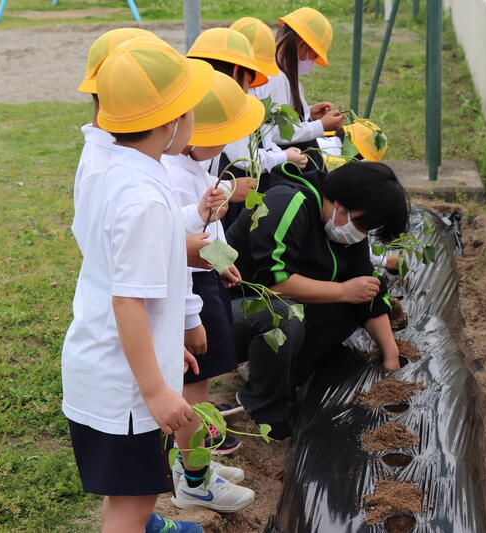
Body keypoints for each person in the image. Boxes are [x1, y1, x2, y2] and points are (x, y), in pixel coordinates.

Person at [61, 36, 212, 533]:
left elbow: (134, 280)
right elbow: (128, 300)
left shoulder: (118, 170)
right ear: (172, 121)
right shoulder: (143, 197)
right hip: (124, 389)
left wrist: (168, 350)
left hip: (108, 366)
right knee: (135, 505)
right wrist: (155, 390)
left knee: (125, 495)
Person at [225, 161, 409, 440]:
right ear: (341, 204)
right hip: (232, 314)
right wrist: (343, 291)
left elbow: (367, 289)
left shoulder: (346, 225)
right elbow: (275, 281)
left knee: (352, 301)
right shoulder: (287, 203)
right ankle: (262, 405)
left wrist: (391, 358)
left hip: (276, 309)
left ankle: (278, 376)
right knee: (285, 315)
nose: (362, 233)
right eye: (363, 223)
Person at [160, 71, 265, 509]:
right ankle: (195, 479)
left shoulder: (200, 162)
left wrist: (223, 263)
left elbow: (210, 225)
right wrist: (190, 317)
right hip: (189, 285)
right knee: (194, 386)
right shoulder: (171, 173)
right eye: (217, 139)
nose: (223, 149)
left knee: (202, 380)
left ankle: (193, 462)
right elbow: (178, 242)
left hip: (205, 277)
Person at [73, 27, 214, 271]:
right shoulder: (102, 168)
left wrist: (193, 217)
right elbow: (103, 255)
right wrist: (178, 252)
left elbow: (148, 226)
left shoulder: (136, 149)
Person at [186, 27, 306, 228]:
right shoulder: (224, 110)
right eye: (250, 81)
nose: (250, 89)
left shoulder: (191, 102)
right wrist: (228, 188)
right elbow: (240, 157)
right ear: (236, 71)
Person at [251, 7, 345, 170]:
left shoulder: (281, 73)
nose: (312, 62)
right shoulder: (276, 78)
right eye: (313, 56)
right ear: (302, 45)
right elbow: (274, 132)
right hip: (281, 163)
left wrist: (308, 112)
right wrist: (320, 126)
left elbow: (277, 116)